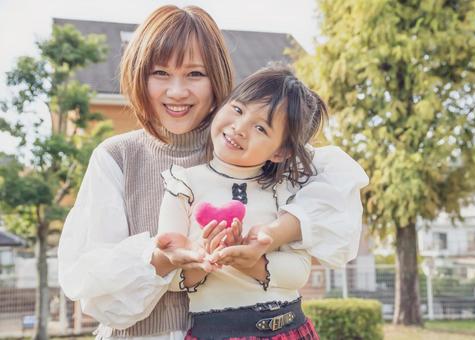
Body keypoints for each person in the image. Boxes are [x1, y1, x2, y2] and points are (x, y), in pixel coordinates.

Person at [57, 5, 369, 340]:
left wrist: (275, 233)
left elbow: (338, 191)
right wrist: (162, 259)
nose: (177, 92)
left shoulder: (247, 147)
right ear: (139, 75)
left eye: (195, 74)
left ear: (217, 78)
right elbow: (93, 288)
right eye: (160, 73)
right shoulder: (117, 157)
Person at [158, 65, 325, 339]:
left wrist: (250, 263)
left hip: (290, 328)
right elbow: (169, 277)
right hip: (218, 332)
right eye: (237, 109)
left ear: (281, 151)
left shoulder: (285, 190)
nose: (240, 128)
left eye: (260, 127)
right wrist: (203, 259)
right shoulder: (183, 183)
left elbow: (299, 272)